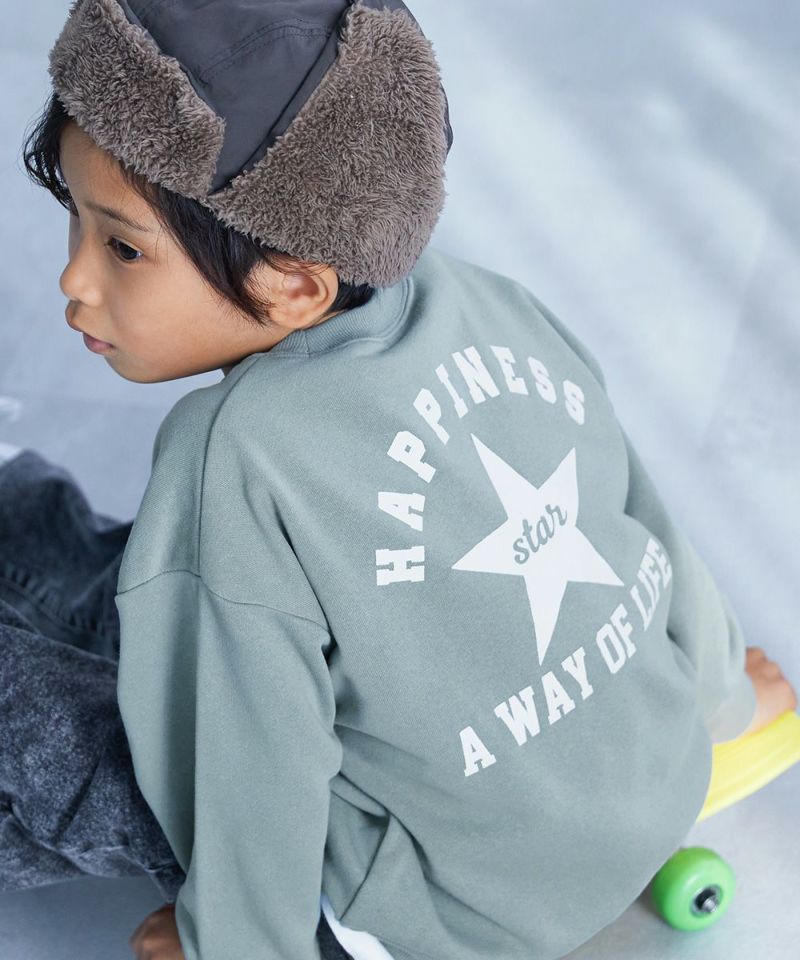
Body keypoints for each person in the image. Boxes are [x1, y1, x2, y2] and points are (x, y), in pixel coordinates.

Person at [3, 1, 796, 959]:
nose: (74, 280)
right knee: (167, 584)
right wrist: (721, 695)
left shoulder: (232, 454)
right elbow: (641, 523)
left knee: (64, 703)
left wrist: (241, 941)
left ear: (296, 284)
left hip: (407, 913)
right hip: (647, 782)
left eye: (123, 248)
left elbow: (251, 756)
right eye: (77, 221)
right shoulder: (491, 303)